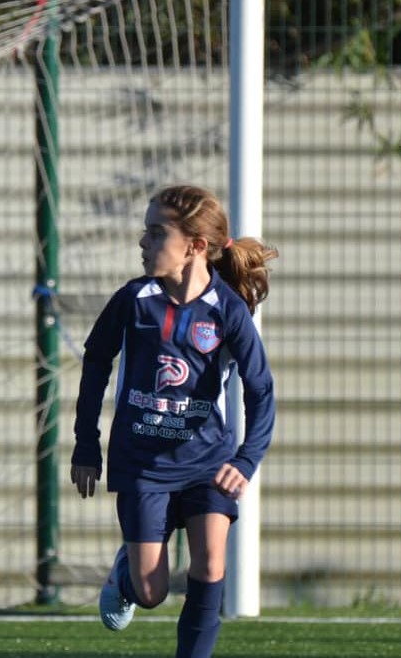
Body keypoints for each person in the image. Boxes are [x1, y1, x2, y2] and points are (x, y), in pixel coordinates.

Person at [70, 185, 277, 657]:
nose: (143, 242)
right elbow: (95, 361)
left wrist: (245, 460)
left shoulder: (228, 311)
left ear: (195, 246)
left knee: (210, 563)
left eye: (156, 233)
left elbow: (261, 390)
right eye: (145, 232)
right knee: (151, 593)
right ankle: (128, 572)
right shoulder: (134, 299)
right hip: (142, 464)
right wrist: (86, 444)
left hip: (208, 462)